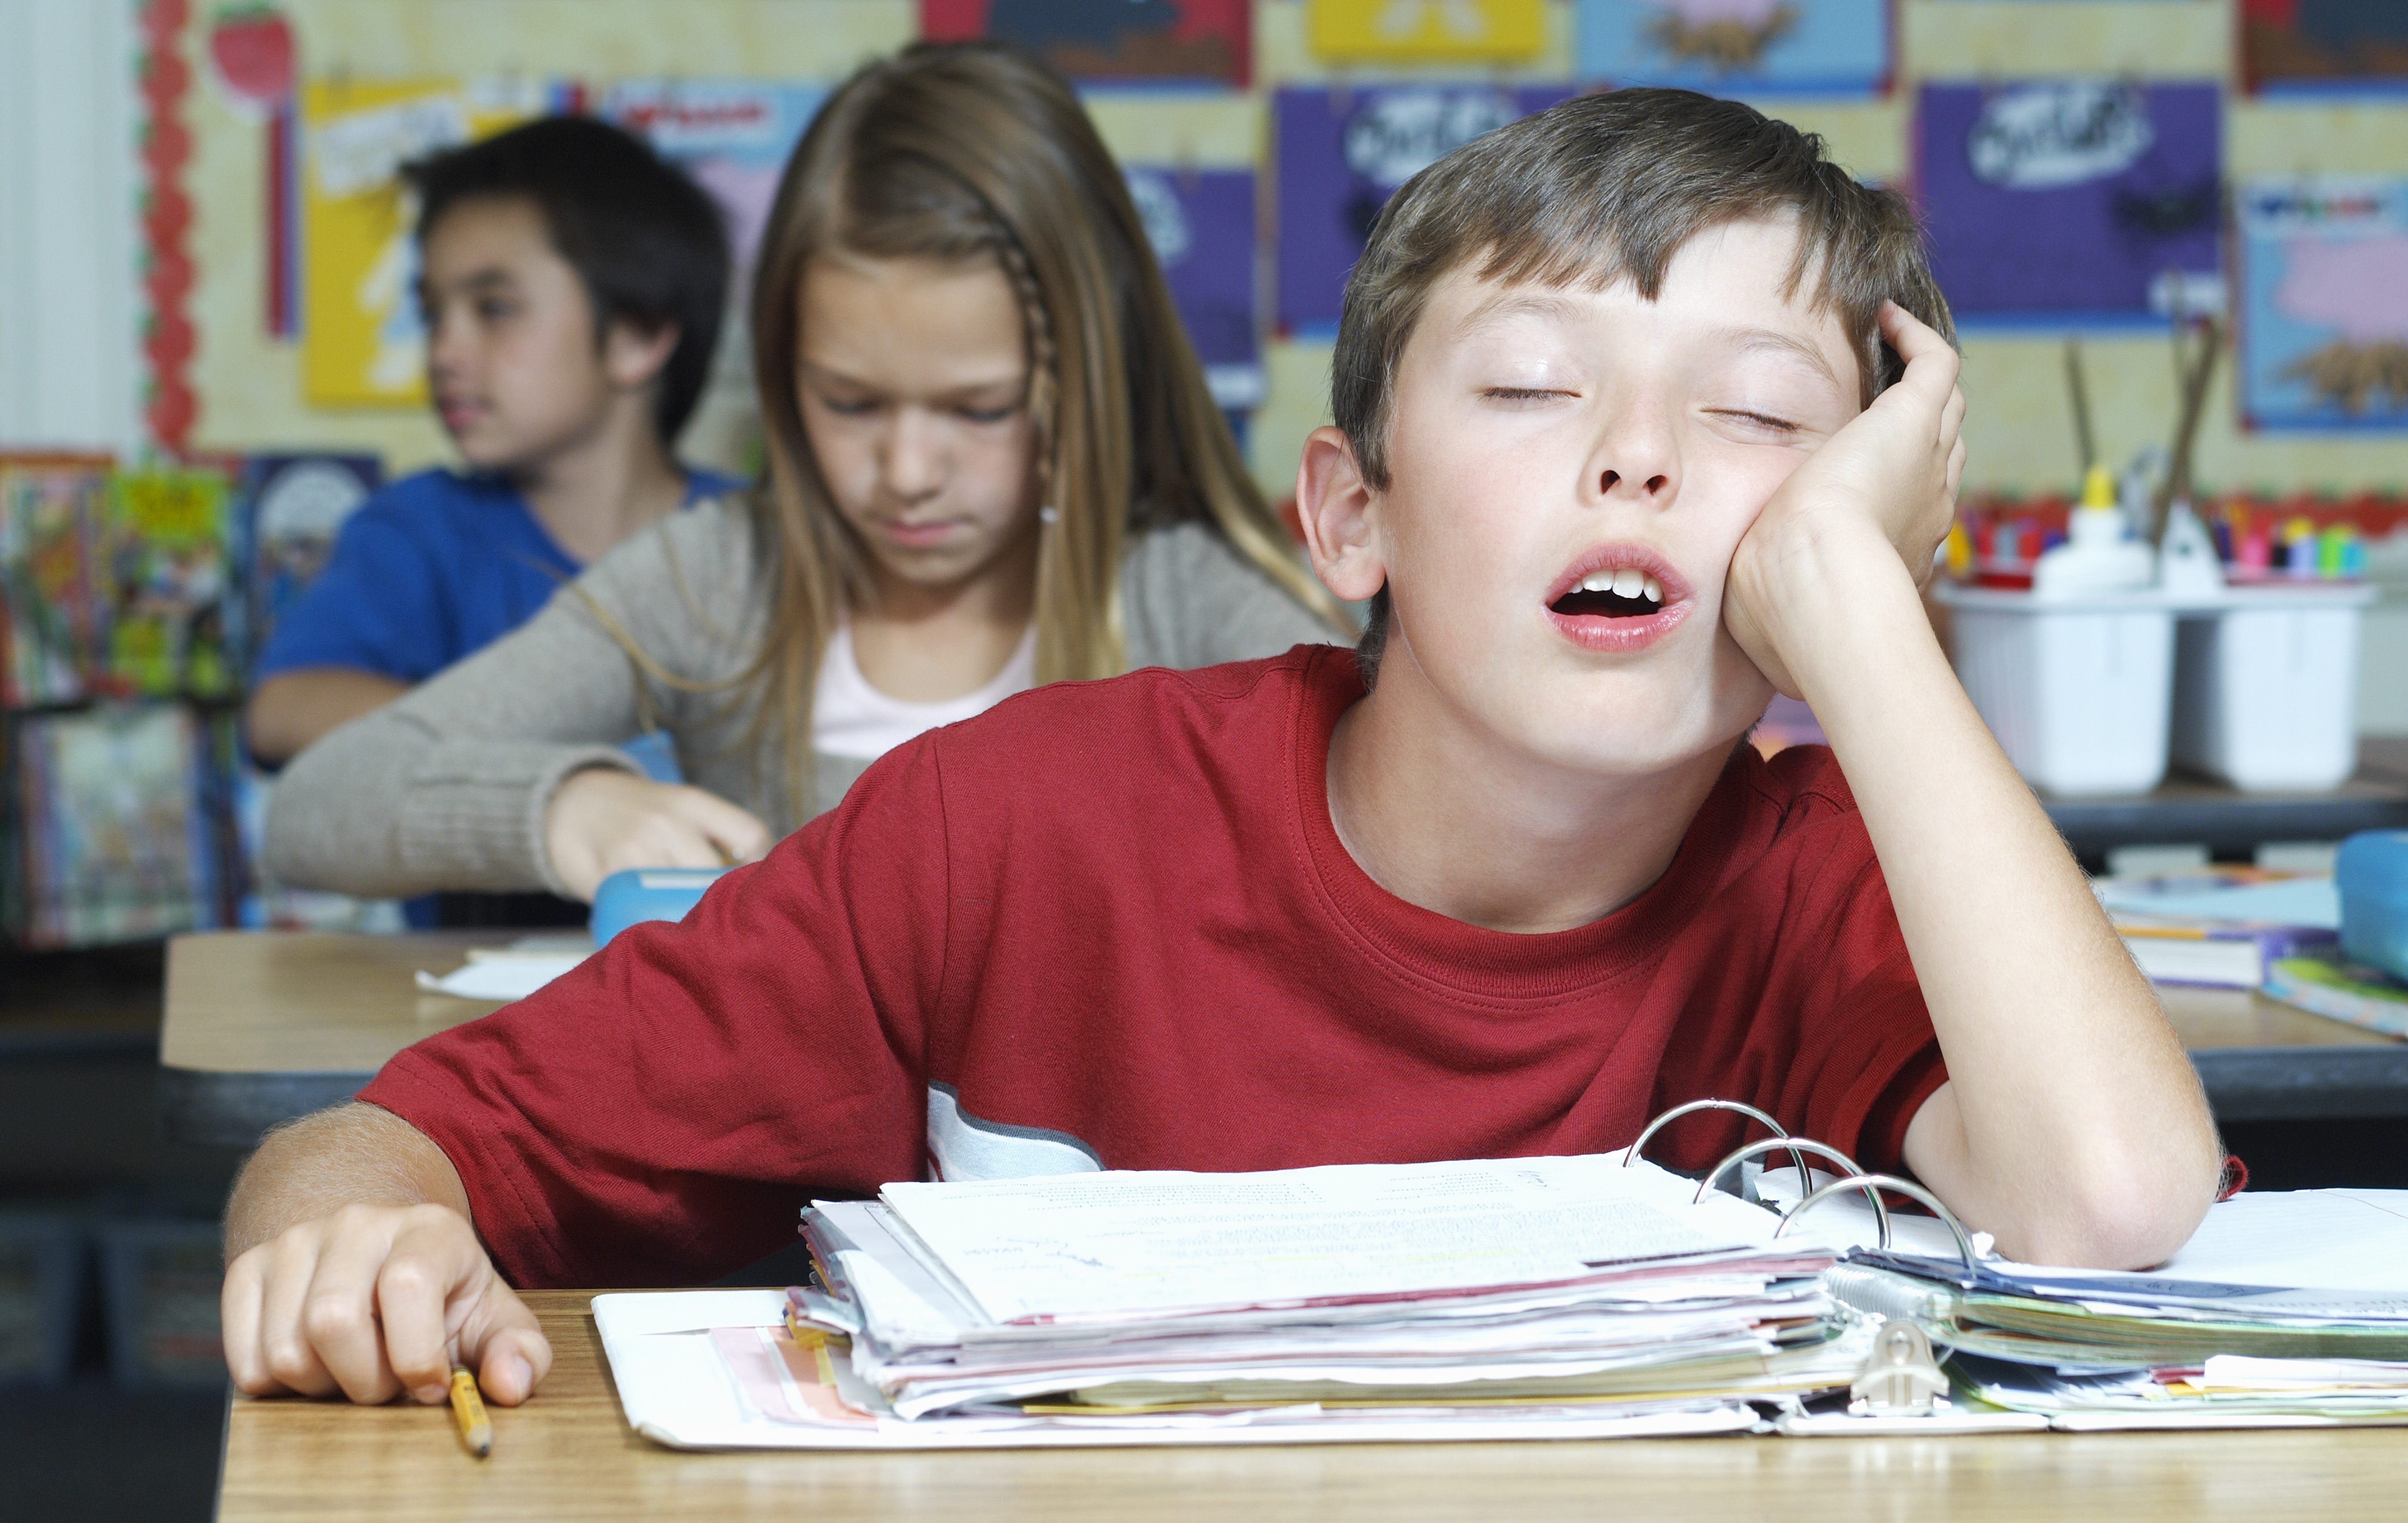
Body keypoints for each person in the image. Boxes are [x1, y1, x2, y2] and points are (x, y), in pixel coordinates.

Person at [220, 88, 2221, 1411]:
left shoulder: (1816, 878)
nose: (1635, 455)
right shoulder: (1002, 828)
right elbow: (387, 1140)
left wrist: (1857, 630)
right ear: (1343, 517)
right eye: (1529, 385)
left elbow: (2111, 1198)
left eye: (1760, 427)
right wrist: (346, 1240)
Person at [260, 44, 1347, 904]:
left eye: (978, 409)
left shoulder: (1180, 597)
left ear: (1088, 376)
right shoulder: (715, 582)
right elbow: (319, 804)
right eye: (851, 404)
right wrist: (564, 807)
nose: (907, 473)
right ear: (781, 375)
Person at [246, 116, 738, 768]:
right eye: (432, 314)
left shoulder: (760, 543)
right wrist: (546, 761)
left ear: (635, 337)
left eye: (494, 308)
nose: (445, 352)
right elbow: (282, 710)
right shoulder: (420, 529)